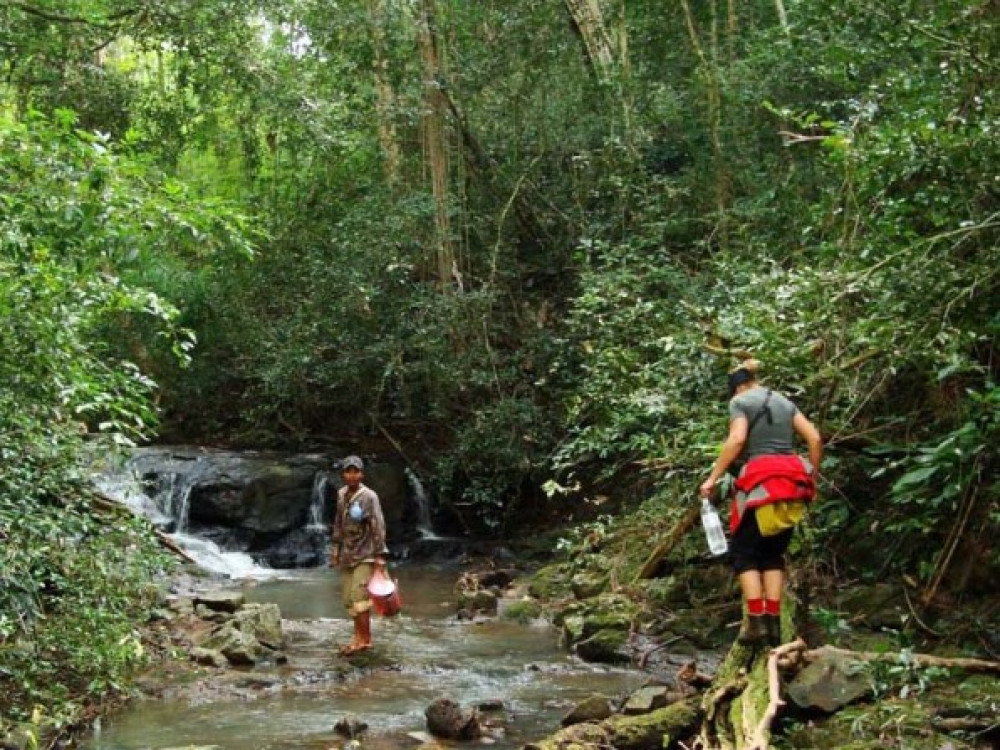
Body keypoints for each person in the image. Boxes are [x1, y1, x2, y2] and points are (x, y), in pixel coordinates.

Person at [699, 359, 823, 648]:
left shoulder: (741, 402)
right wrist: (812, 475)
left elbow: (737, 439)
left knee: (744, 554)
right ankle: (773, 625)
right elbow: (814, 438)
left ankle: (755, 624)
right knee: (772, 554)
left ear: (738, 386)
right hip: (793, 485)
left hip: (761, 484)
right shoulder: (784, 402)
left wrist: (712, 478)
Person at [330, 455, 389, 656]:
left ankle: (366, 640)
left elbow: (378, 525)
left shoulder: (369, 497)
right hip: (348, 553)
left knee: (360, 599)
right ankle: (356, 637)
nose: (352, 475)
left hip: (366, 553)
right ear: (344, 474)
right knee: (348, 599)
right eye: (349, 471)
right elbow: (338, 521)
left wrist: (380, 555)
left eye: (356, 471)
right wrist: (335, 549)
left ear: (362, 474)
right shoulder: (341, 494)